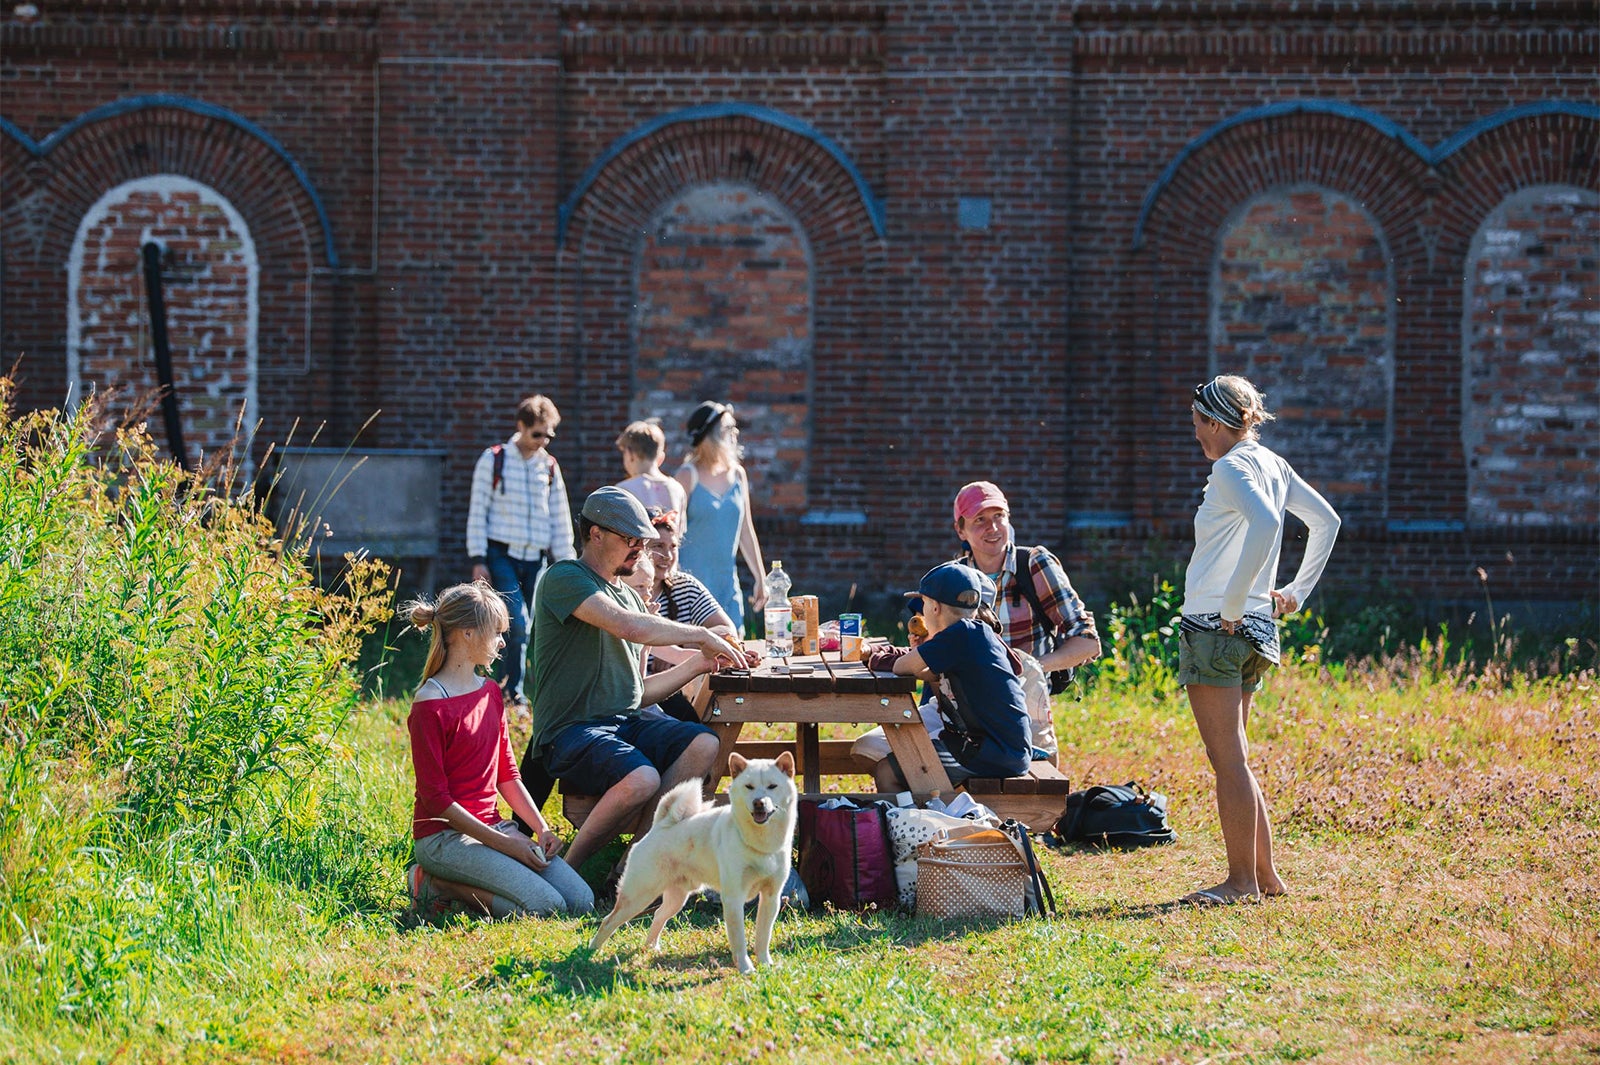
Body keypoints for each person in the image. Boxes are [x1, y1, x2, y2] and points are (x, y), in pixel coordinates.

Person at [524, 486, 754, 872]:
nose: (640, 549)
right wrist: (700, 634)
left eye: (642, 541)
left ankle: (635, 865)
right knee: (643, 778)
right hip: (570, 731)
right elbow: (628, 627)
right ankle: (566, 869)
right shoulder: (565, 577)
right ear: (594, 534)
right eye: (630, 539)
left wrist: (700, 663)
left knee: (702, 744)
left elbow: (636, 693)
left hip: (621, 725)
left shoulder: (629, 596)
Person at [1180, 375, 1340, 905]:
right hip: (1258, 628)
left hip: (1216, 627)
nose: (1196, 435)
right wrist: (1295, 591)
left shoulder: (1229, 467)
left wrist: (1229, 606)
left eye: (1198, 424)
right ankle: (1266, 877)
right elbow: (1327, 521)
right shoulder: (1273, 463)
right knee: (1239, 759)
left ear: (1215, 421)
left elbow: (1268, 522)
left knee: (1227, 761)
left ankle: (1240, 882)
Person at [403, 581, 593, 918]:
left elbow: (507, 774)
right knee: (546, 907)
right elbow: (436, 800)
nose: (503, 641)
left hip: (492, 828)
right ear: (467, 634)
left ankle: (471, 879)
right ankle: (437, 885)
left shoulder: (490, 692)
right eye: (497, 631)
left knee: (581, 901)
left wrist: (540, 828)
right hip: (443, 839)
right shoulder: (430, 705)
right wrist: (505, 844)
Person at [862, 563, 1032, 793]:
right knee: (901, 761)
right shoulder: (976, 633)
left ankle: (912, 824)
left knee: (887, 771)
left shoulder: (958, 634)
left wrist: (882, 658)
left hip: (991, 752)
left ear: (935, 607)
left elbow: (903, 667)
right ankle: (920, 816)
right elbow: (930, 675)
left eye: (923, 603)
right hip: (1002, 748)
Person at [465, 394, 576, 707]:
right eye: (536, 434)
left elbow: (560, 516)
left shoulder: (550, 467)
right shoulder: (495, 459)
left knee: (530, 627)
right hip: (502, 555)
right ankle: (512, 693)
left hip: (536, 558)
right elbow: (478, 510)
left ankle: (512, 689)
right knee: (516, 622)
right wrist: (478, 559)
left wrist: (567, 564)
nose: (542, 441)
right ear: (521, 426)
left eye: (548, 435)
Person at [674, 401, 767, 631]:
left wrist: (761, 577)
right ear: (712, 435)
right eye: (728, 428)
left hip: (726, 585)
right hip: (690, 589)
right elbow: (670, 532)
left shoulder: (738, 475)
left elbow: (746, 530)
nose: (734, 434)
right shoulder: (687, 475)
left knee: (734, 653)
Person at [615, 420, 687, 527]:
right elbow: (681, 532)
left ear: (630, 454)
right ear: (661, 457)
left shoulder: (623, 490)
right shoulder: (677, 488)